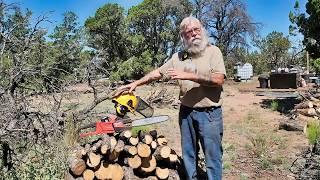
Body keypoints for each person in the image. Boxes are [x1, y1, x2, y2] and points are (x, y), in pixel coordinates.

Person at [117, 16, 226, 180]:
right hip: (186, 112)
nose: (194, 34)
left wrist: (189, 75)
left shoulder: (213, 51)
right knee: (188, 154)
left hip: (209, 114)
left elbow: (219, 80)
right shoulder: (178, 57)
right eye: (189, 32)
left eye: (196, 29)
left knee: (213, 157)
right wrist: (136, 83)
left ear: (202, 30)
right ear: (183, 36)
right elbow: (158, 73)